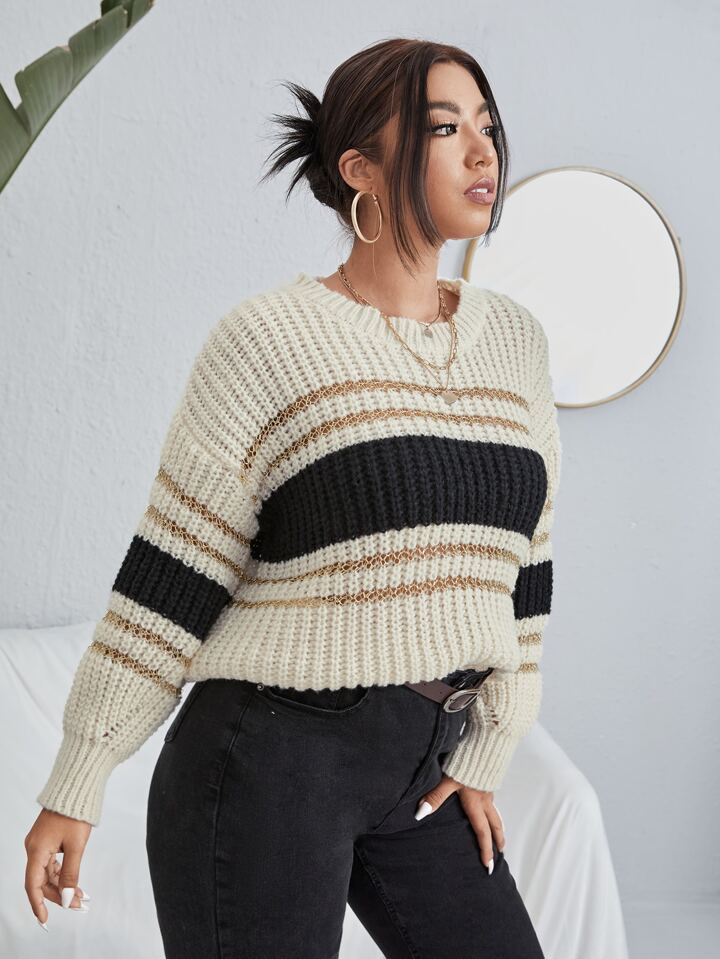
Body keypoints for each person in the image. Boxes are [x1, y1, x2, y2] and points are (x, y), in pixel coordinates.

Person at [24, 37, 561, 957]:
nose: (484, 152)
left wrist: (490, 741)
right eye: (444, 128)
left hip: (425, 760)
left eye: (488, 125)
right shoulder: (268, 341)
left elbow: (528, 565)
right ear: (360, 168)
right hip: (269, 759)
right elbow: (170, 580)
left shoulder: (515, 343)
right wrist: (77, 778)